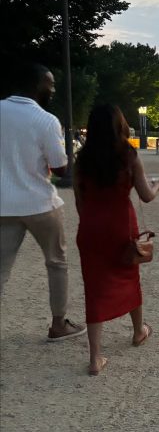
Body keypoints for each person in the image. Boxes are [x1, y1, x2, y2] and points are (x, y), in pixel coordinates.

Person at [74, 105, 159, 375]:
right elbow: (146, 195)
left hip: (91, 228)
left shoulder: (83, 159)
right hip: (120, 226)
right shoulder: (127, 155)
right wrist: (158, 183)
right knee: (129, 276)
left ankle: (95, 358)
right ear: (120, 126)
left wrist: (91, 221)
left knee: (94, 288)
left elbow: (80, 201)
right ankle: (138, 331)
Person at [0, 63, 86, 341]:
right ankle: (58, 323)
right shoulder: (46, 119)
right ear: (36, 86)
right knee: (57, 262)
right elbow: (61, 167)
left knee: (1, 269)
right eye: (50, 84)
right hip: (39, 203)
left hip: (3, 204)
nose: (52, 89)